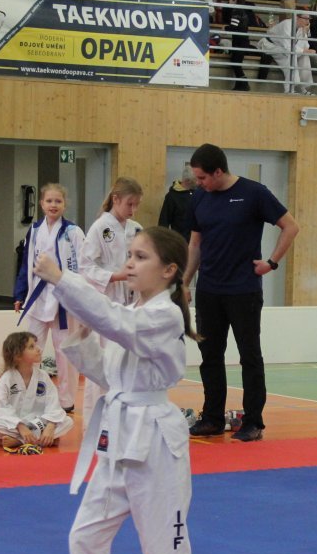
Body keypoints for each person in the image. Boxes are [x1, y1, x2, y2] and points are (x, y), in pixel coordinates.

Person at [33, 226, 207, 554]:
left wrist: (63, 280)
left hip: (156, 444)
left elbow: (119, 325)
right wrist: (82, 339)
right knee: (84, 537)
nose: (130, 263)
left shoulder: (164, 316)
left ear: (169, 271)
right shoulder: (132, 311)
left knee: (165, 550)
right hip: (118, 438)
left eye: (141, 256)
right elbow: (111, 377)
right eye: (129, 254)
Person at [184, 143, 300, 442]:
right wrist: (184, 282)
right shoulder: (200, 197)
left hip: (243, 290)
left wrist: (271, 262)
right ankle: (212, 417)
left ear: (218, 172)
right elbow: (195, 244)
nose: (199, 183)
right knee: (210, 356)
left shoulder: (254, 193)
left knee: (250, 356)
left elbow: (290, 226)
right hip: (209, 290)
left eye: (202, 177)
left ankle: (253, 421)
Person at [79, 177, 144, 425]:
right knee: (103, 363)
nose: (133, 210)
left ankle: (122, 419)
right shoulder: (100, 227)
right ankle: (94, 422)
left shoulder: (136, 229)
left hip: (131, 303)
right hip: (106, 301)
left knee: (127, 362)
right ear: (116, 199)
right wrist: (116, 276)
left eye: (136, 205)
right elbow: (85, 266)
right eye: (129, 204)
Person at [14, 183, 85, 412]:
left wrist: (79, 296)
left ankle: (66, 401)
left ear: (65, 204)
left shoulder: (73, 232)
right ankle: (27, 396)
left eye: (58, 201)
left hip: (64, 298)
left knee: (65, 352)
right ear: (42, 204)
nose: (53, 205)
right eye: (49, 201)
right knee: (29, 348)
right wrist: (20, 293)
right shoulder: (35, 230)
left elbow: (83, 266)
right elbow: (25, 264)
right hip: (38, 296)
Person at [0, 331, 74, 450]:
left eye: (35, 345)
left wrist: (51, 425)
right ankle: (42, 439)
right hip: (15, 425)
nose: (38, 349)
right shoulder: (7, 378)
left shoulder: (43, 376)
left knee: (67, 421)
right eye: (31, 347)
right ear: (18, 355)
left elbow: (53, 405)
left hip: (38, 422)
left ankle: (19, 441)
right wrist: (20, 426)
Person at [257, 10, 317, 95]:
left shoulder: (301, 28)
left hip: (284, 47)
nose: (308, 22)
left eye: (309, 19)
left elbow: (305, 47)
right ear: (297, 17)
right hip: (270, 45)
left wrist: (304, 34)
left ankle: (303, 89)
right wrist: (303, 50)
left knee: (304, 57)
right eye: (305, 19)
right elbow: (288, 47)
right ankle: (289, 89)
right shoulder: (287, 24)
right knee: (290, 57)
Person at [158, 165, 196, 242]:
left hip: (197, 240)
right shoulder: (172, 196)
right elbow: (164, 221)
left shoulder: (199, 193)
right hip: (180, 240)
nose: (199, 182)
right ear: (188, 181)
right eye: (196, 180)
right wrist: (163, 241)